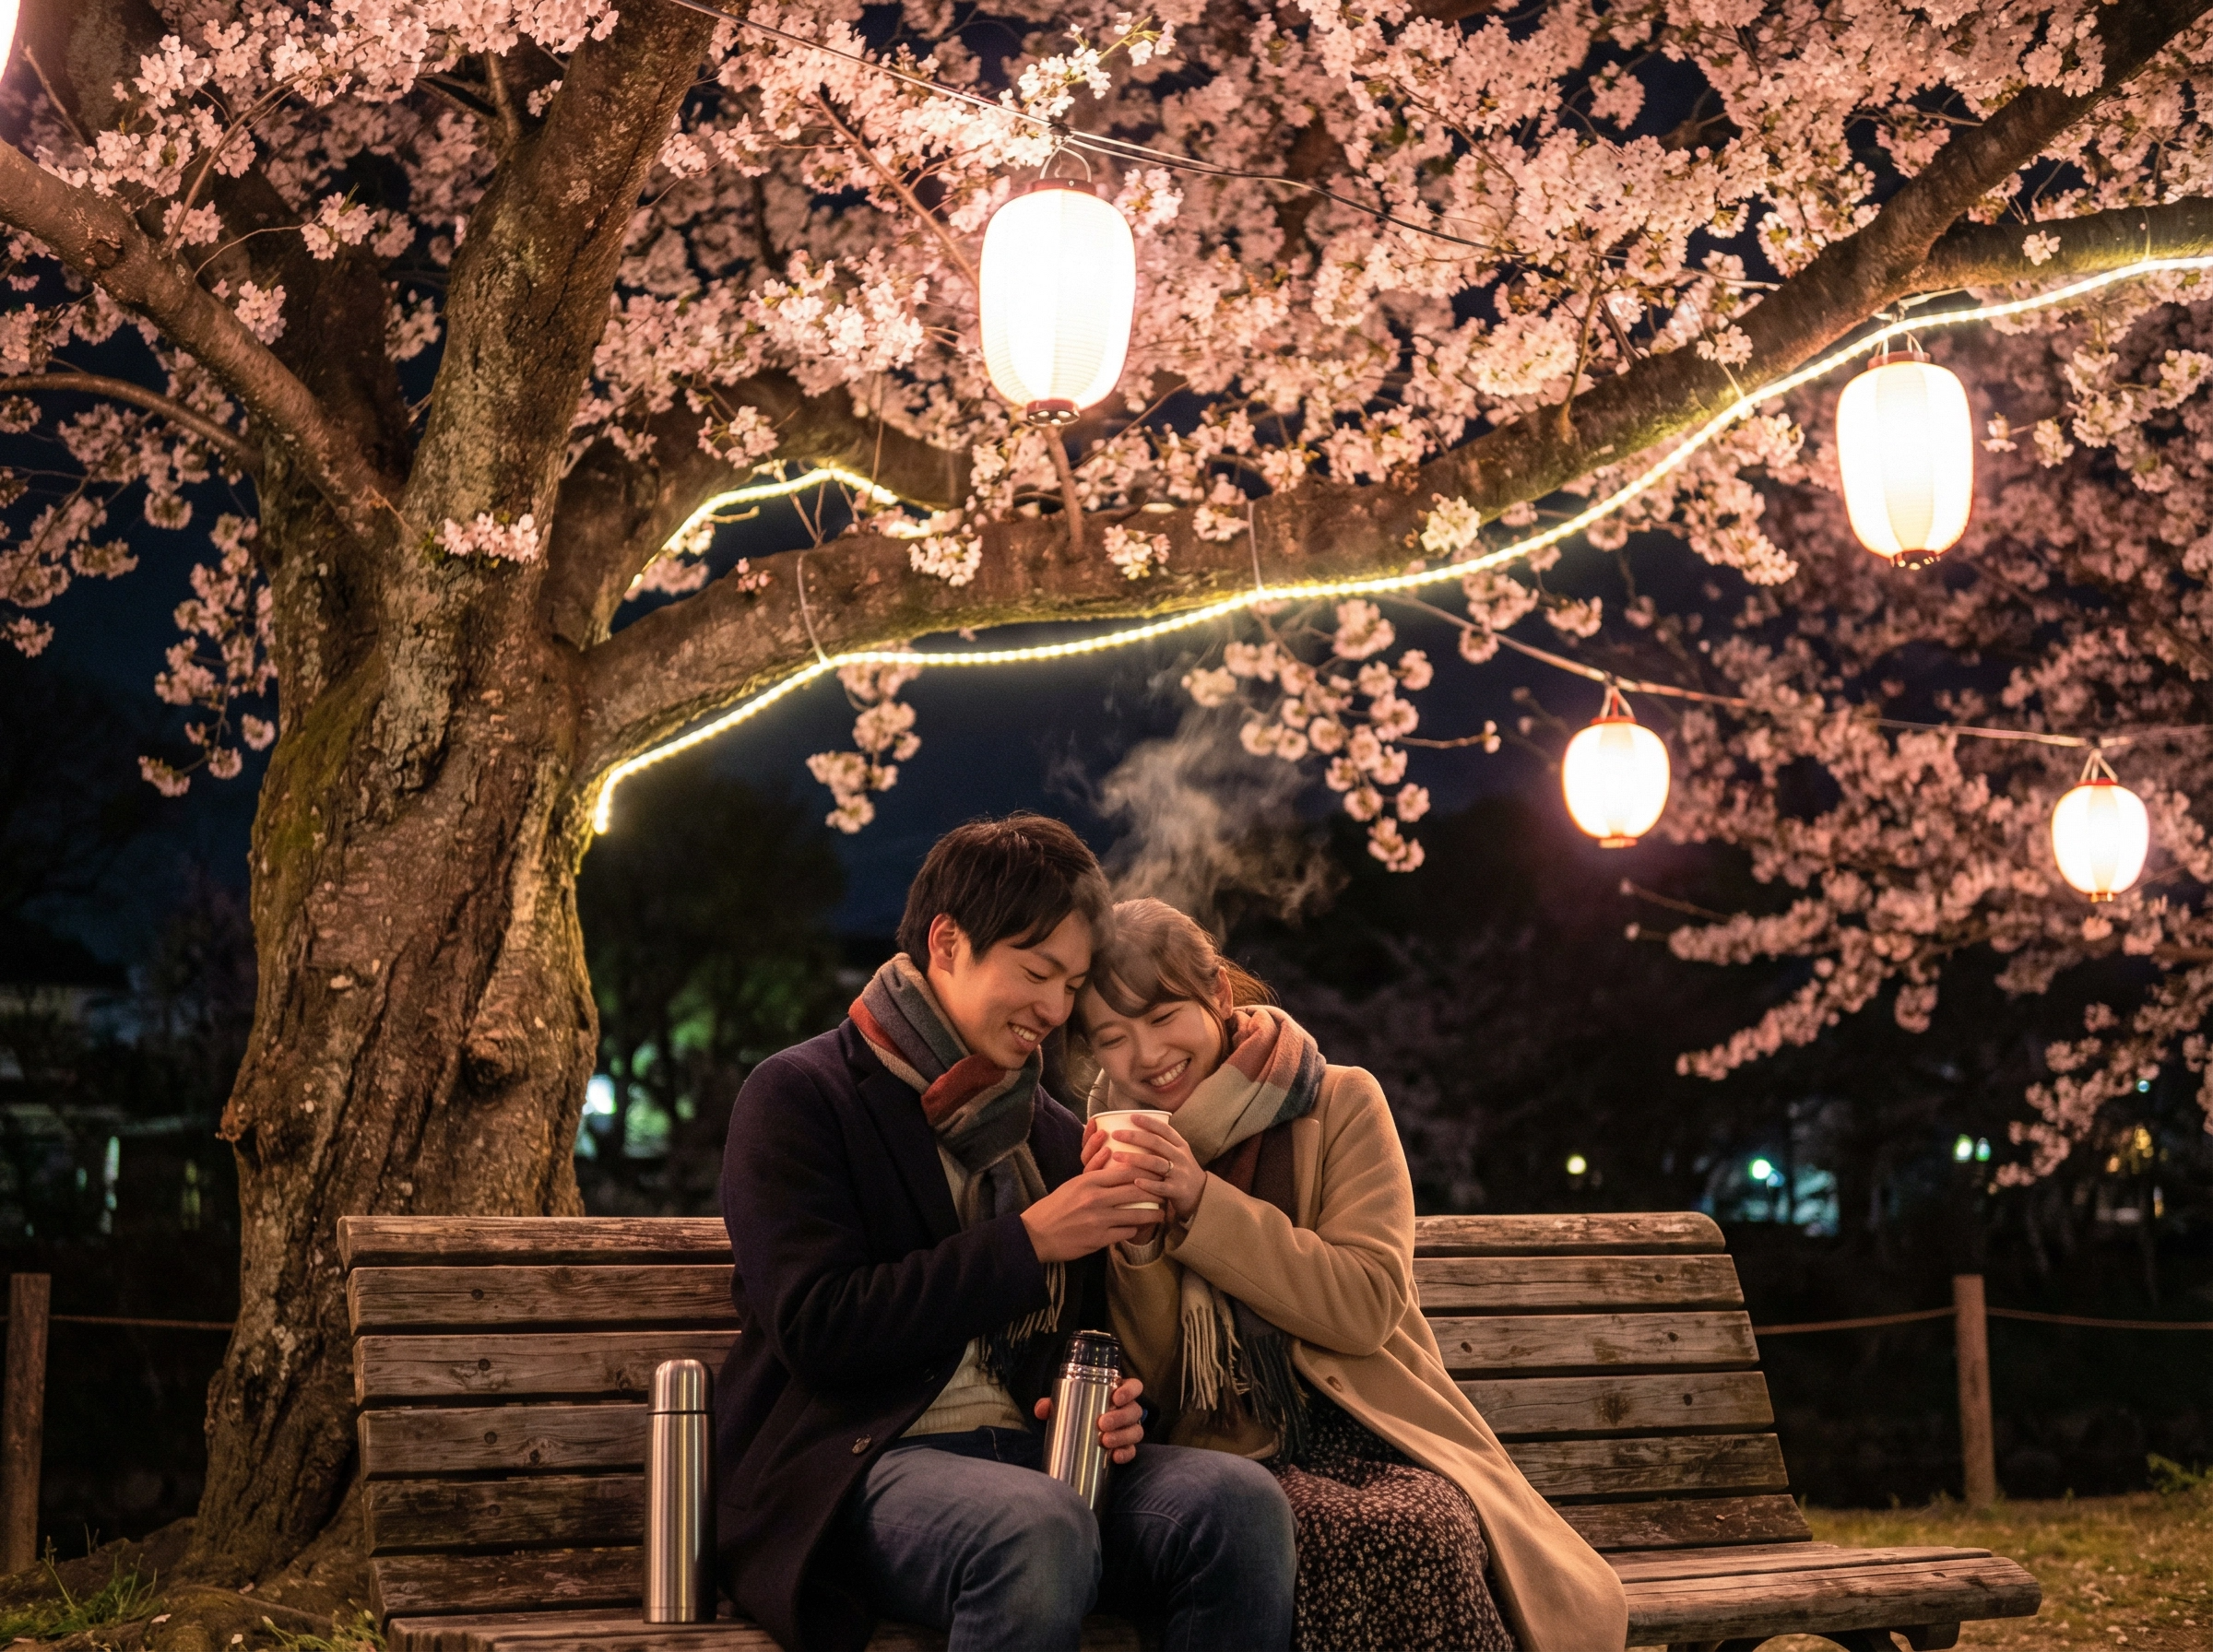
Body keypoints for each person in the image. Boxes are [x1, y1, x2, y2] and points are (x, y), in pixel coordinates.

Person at [715, 817, 1297, 1652]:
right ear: (947, 942)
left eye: (1073, 984)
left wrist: (1104, 1402)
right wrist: (1026, 1243)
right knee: (1035, 1526)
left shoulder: (1049, 1132)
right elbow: (818, 1328)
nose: (1055, 1009)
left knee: (1237, 1504)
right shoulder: (802, 1096)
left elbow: (1069, 1339)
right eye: (1036, 972)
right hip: (853, 1466)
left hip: (1027, 1456)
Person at [1076, 898, 1630, 1652]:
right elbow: (1165, 1394)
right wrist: (1141, 1249)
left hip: (1378, 1430)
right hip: (1229, 1458)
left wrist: (1203, 1206)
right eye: (1113, 1037)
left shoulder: (1338, 1102)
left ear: (1217, 995)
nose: (1145, 1055)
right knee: (1359, 1534)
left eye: (1163, 1016)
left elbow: (1365, 1306)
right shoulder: (1104, 1149)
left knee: (1419, 1525)